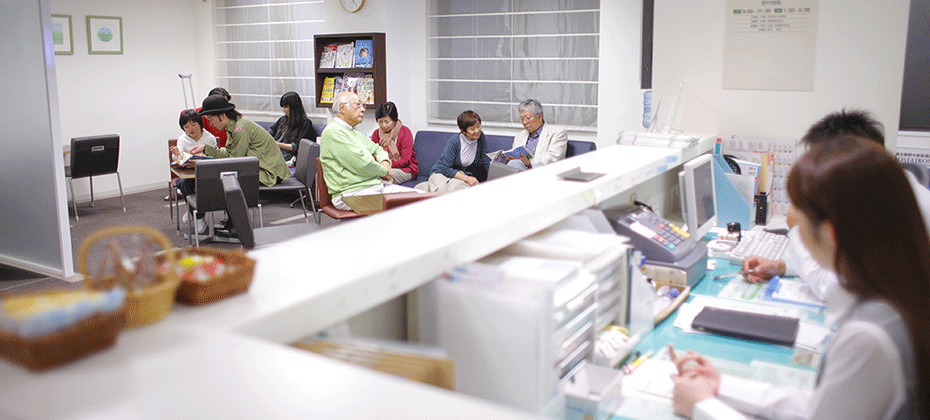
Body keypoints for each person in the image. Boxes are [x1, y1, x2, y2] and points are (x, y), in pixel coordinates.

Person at [669, 136, 929, 420]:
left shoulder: (868, 338)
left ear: (831, 234)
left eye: (798, 216)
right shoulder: (895, 299)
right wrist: (720, 387)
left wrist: (702, 408)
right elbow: (827, 407)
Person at [741, 109, 930, 300]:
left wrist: (798, 229)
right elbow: (839, 260)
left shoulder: (890, 210)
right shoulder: (882, 187)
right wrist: (782, 266)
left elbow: (835, 290)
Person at [320, 92, 418, 211]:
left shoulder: (351, 131)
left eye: (363, 106)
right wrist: (385, 171)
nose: (362, 110)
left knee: (422, 197)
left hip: (373, 187)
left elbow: (378, 148)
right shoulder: (334, 132)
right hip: (351, 194)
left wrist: (385, 162)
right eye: (358, 105)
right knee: (404, 209)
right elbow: (363, 164)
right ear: (342, 108)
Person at [189, 95, 290, 188]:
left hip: (269, 173)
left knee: (214, 180)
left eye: (211, 119)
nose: (211, 124)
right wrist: (205, 148)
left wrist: (207, 159)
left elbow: (235, 160)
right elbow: (231, 155)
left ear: (223, 116)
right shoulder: (234, 126)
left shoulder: (239, 129)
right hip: (263, 168)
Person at [169, 109, 218, 232]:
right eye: (186, 127)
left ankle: (194, 213)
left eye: (193, 124)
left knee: (199, 186)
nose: (191, 129)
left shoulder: (210, 138)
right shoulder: (182, 139)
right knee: (185, 183)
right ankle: (199, 217)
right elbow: (178, 158)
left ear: (200, 123)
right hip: (188, 173)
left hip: (207, 173)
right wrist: (177, 155)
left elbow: (216, 158)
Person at [420, 110, 490, 191]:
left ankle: (426, 188)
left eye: (478, 126)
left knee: (459, 187)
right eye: (472, 129)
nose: (477, 131)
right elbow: (444, 168)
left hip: (459, 177)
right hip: (442, 173)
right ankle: (429, 187)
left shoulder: (481, 138)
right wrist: (467, 179)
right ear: (463, 131)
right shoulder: (455, 141)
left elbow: (486, 161)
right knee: (446, 190)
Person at [507, 99, 568, 170]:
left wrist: (530, 162)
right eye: (522, 119)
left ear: (540, 117)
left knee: (514, 165)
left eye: (528, 118)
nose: (525, 122)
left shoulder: (557, 132)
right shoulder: (519, 136)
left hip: (543, 172)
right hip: (521, 170)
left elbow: (554, 156)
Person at [371, 101, 418, 184]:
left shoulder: (405, 132)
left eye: (387, 121)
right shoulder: (376, 134)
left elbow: (405, 160)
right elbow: (372, 155)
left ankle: (386, 197)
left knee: (385, 176)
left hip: (406, 169)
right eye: (380, 122)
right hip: (382, 167)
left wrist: (386, 164)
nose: (384, 125)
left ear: (394, 119)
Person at [269, 91, 317, 167]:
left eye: (286, 107)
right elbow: (270, 132)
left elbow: (296, 147)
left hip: (288, 156)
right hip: (275, 152)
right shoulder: (282, 120)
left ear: (293, 107)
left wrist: (276, 144)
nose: (284, 110)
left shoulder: (305, 123)